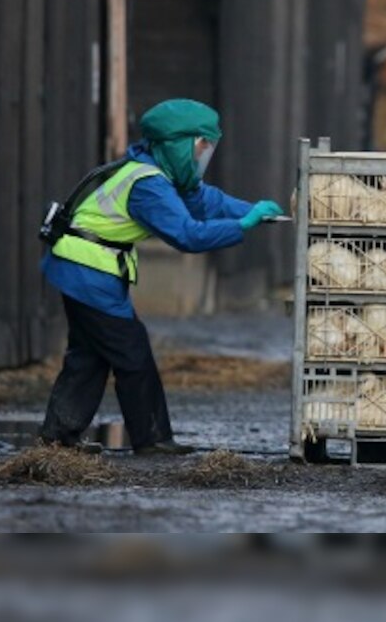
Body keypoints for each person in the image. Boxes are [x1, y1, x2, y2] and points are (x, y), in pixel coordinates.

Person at [38, 98, 285, 456]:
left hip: (81, 268)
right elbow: (187, 234)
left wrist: (253, 211)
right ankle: (151, 439)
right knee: (131, 353)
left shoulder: (153, 172)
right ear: (180, 144)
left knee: (90, 355)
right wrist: (242, 225)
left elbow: (203, 200)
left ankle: (59, 437)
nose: (205, 156)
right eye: (202, 147)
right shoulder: (148, 185)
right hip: (88, 271)